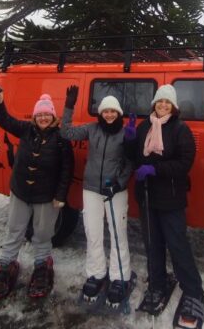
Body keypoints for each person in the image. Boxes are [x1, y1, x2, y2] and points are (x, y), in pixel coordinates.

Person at [0, 86, 74, 302]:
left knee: (42, 234)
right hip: (21, 191)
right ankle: (6, 267)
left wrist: (61, 196)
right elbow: (5, 120)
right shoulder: (26, 130)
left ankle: (42, 266)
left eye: (47, 114)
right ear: (35, 116)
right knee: (14, 230)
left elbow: (66, 170)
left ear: (53, 115)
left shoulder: (61, 138)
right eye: (39, 114)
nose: (43, 117)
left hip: (46, 195)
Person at [126, 84, 204, 328]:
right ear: (154, 104)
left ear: (173, 107)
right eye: (159, 102)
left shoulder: (180, 129)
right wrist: (130, 139)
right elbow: (134, 158)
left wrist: (155, 168)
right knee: (152, 244)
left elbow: (185, 163)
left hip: (171, 198)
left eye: (167, 103)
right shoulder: (144, 126)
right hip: (148, 197)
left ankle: (193, 291)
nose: (162, 106)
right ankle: (157, 283)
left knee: (177, 244)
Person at [60, 86, 137, 308]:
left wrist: (119, 183)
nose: (109, 115)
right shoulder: (92, 129)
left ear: (119, 113)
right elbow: (66, 132)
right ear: (100, 113)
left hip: (115, 191)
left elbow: (130, 162)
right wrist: (69, 106)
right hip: (91, 189)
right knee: (93, 233)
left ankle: (119, 276)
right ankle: (96, 273)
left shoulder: (125, 133)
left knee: (117, 234)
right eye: (106, 111)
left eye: (113, 111)